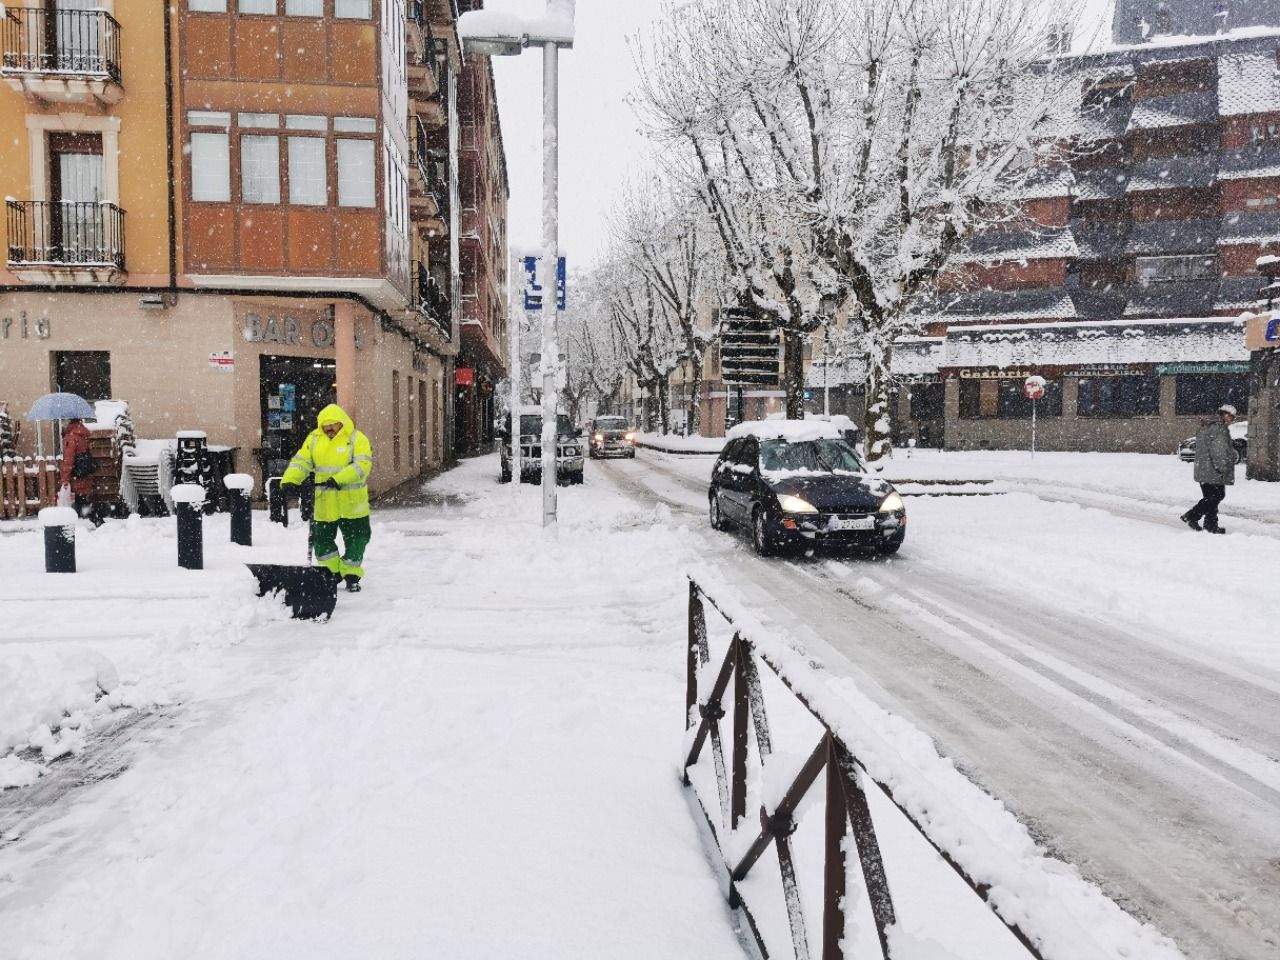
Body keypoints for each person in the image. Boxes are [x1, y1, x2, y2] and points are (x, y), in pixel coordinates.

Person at [281, 404, 373, 592]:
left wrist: (339, 479)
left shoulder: (357, 439)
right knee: (321, 541)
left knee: (357, 540)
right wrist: (290, 480)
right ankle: (331, 574)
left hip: (352, 503)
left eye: (333, 425)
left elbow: (362, 465)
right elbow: (301, 461)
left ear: (342, 423)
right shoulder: (314, 439)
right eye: (325, 426)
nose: (329, 429)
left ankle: (351, 574)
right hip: (324, 502)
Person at [1181, 404, 1237, 535]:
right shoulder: (1219, 428)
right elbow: (1219, 451)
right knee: (1217, 496)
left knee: (1210, 498)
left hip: (1204, 468)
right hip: (1213, 470)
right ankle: (1192, 516)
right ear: (1224, 415)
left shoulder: (1207, 426)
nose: (1231, 420)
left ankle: (1210, 525)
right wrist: (1223, 468)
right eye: (1230, 416)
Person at [59, 418, 101, 525]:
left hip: (77, 474)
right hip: (85, 473)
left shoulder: (71, 437)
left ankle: (87, 521)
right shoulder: (82, 434)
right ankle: (93, 519)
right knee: (82, 498)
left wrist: (65, 479)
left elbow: (68, 460)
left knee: (80, 500)